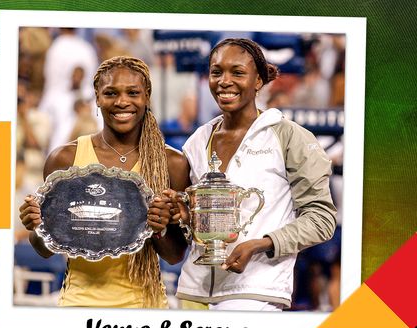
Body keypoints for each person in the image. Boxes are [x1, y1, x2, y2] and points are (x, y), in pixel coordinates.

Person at [175, 38, 337, 311]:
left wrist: (263, 244)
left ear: (258, 81)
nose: (224, 81)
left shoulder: (288, 136)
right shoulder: (197, 140)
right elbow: (196, 221)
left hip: (255, 291)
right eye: (216, 72)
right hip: (194, 289)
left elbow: (322, 219)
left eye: (237, 72)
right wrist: (181, 214)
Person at [19, 56, 190, 308]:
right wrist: (36, 224)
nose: (122, 102)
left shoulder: (172, 162)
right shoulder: (64, 158)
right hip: (78, 305)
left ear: (147, 97)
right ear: (97, 98)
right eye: (111, 93)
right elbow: (44, 249)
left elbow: (175, 255)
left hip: (145, 309)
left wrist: (160, 227)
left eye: (133, 92)